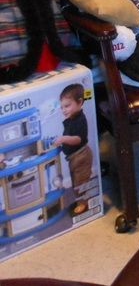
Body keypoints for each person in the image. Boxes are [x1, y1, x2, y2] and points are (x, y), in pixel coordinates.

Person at [52, 82, 93, 216]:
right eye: (62, 107)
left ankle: (83, 204)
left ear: (80, 102)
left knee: (80, 183)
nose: (64, 110)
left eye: (67, 106)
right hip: (74, 157)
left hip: (81, 155)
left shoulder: (79, 119)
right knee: (76, 181)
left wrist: (63, 139)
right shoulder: (71, 119)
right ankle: (80, 201)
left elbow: (78, 139)